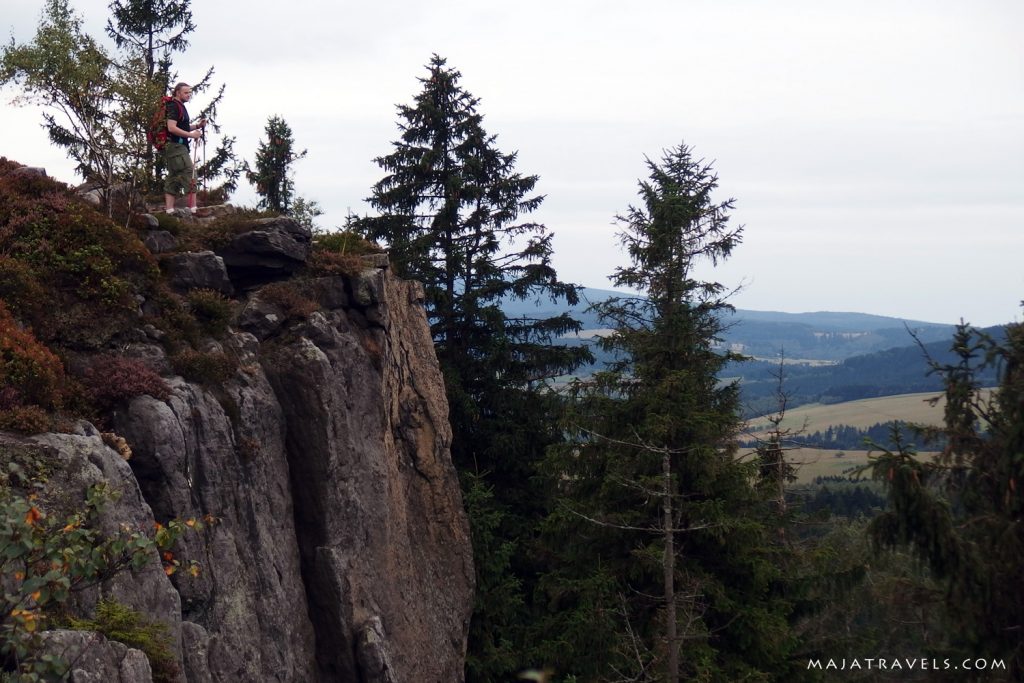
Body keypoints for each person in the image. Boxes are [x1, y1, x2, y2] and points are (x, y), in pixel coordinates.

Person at [163, 82, 207, 213]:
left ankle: (169, 210)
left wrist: (197, 126)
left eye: (190, 93)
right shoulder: (174, 106)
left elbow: (182, 127)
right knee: (189, 172)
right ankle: (193, 209)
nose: (189, 95)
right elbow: (171, 127)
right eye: (186, 93)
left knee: (174, 175)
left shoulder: (178, 106)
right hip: (177, 146)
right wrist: (191, 135)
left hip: (174, 147)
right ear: (178, 92)